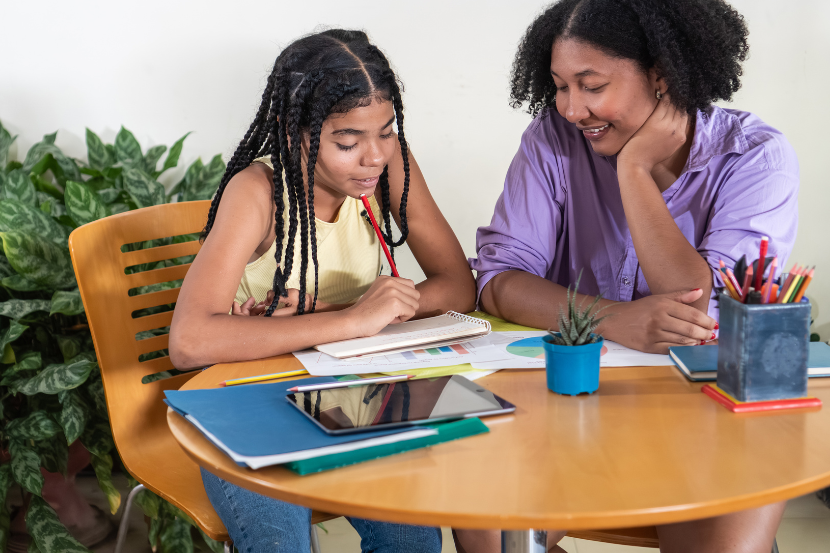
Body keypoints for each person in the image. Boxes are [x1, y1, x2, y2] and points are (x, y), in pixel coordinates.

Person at [469, 0, 796, 551]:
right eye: (560, 85)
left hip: (701, 412)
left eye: (591, 85)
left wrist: (634, 170)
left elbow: (698, 308)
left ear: (662, 77)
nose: (572, 108)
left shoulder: (755, 156)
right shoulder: (552, 139)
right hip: (565, 400)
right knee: (490, 534)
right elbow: (499, 280)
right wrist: (613, 319)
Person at [169, 29, 476, 553]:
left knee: (414, 541)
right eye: (348, 142)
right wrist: (352, 321)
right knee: (281, 544)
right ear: (295, 134)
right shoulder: (258, 193)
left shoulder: (388, 167)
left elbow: (457, 288)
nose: (374, 156)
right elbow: (190, 342)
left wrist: (342, 309)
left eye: (386, 131)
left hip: (350, 392)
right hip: (243, 401)